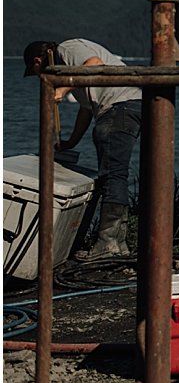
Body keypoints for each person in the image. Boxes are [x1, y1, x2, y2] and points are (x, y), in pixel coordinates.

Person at [22, 39, 144, 261]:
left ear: (38, 61)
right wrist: (71, 142)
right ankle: (118, 243)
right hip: (125, 106)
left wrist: (63, 88)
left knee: (112, 175)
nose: (41, 79)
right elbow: (86, 109)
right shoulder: (73, 72)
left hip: (120, 106)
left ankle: (108, 243)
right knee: (113, 174)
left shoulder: (66, 48)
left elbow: (94, 63)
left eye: (36, 72)